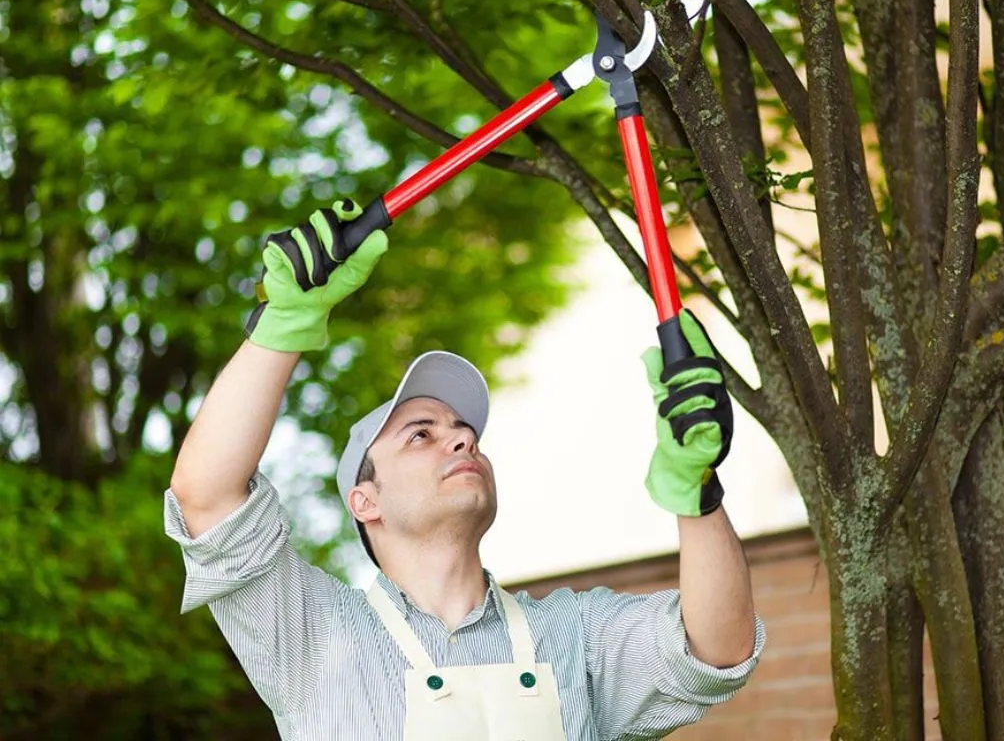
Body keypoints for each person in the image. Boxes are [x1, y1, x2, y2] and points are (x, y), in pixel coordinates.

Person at [165, 200, 766, 740]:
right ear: (364, 501)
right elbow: (208, 496)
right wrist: (284, 325)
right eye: (420, 435)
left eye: (465, 432)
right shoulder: (314, 634)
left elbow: (717, 647)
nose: (458, 439)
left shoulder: (575, 637)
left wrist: (699, 493)